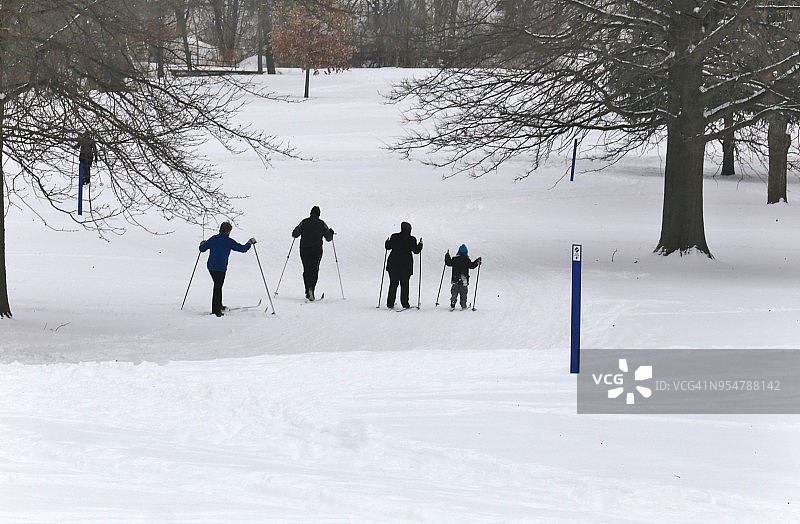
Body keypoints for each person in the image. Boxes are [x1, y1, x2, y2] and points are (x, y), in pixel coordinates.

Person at [199, 222, 256, 317]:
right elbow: (242, 249)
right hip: (221, 268)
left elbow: (202, 249)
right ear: (228, 231)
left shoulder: (213, 239)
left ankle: (219, 306)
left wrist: (202, 243)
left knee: (218, 286)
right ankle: (216, 311)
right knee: (218, 287)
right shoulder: (229, 241)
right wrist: (249, 243)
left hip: (211, 267)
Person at [292, 206, 334, 301]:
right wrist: (331, 232)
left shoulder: (304, 222)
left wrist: (296, 230)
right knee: (314, 269)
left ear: (310, 213)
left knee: (306, 269)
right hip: (317, 249)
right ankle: (312, 288)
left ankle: (307, 289)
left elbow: (295, 234)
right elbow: (328, 238)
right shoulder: (322, 223)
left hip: (304, 249)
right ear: (319, 214)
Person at [385, 221, 423, 309]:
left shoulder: (394, 236)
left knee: (393, 284)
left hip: (393, 265)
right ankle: (405, 304)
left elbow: (388, 247)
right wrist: (420, 244)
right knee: (405, 285)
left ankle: (390, 303)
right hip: (406, 266)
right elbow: (416, 251)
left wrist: (387, 242)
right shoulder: (411, 239)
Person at [445, 244, 481, 310]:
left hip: (455, 279)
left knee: (454, 291)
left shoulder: (454, 259)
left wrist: (447, 255)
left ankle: (453, 302)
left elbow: (449, 263)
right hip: (464, 279)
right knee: (463, 293)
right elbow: (472, 266)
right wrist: (477, 261)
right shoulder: (467, 260)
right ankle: (463, 305)